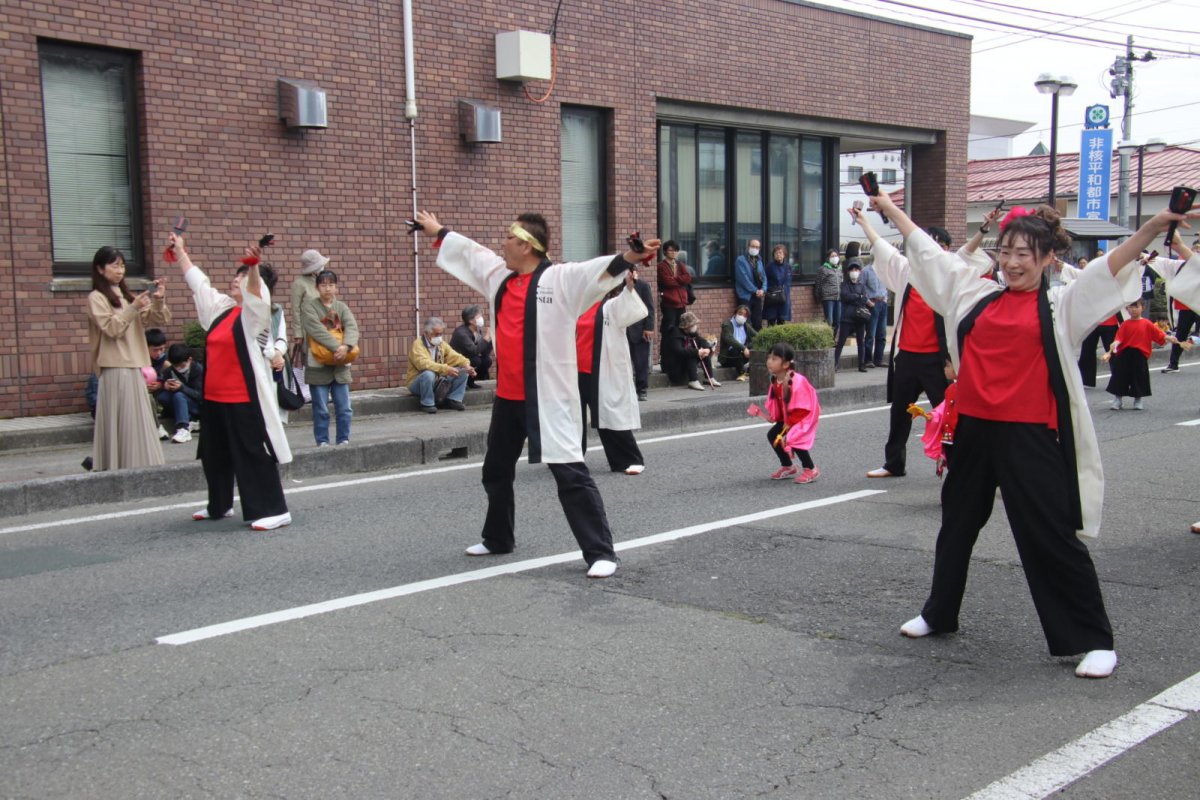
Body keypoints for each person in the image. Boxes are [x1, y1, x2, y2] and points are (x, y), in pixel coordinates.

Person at [871, 192, 1190, 679]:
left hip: (1030, 436)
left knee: (1051, 535)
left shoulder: (1062, 304)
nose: (1013, 262)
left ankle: (1093, 639)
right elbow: (927, 254)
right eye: (1006, 252)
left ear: (1045, 260)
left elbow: (1109, 268)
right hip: (974, 431)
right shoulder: (975, 294)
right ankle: (939, 612)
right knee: (957, 524)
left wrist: (1152, 227)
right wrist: (887, 209)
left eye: (1024, 254)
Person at [414, 209, 656, 579]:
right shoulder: (499, 277)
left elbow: (598, 270)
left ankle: (600, 552)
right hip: (509, 396)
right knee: (495, 470)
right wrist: (437, 230)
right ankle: (498, 538)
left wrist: (631, 256)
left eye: (509, 238)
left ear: (527, 245)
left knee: (570, 474)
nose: (502, 243)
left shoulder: (560, 279)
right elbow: (471, 253)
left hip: (550, 396)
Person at [851, 206, 997, 478]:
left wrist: (983, 231)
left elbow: (970, 256)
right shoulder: (907, 271)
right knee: (900, 413)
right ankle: (894, 463)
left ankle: (958, 466)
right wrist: (864, 223)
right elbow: (883, 249)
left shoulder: (949, 276)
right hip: (906, 354)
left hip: (937, 359)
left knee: (949, 415)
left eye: (938, 246)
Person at [172, 231, 292, 531]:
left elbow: (258, 296)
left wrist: (253, 267)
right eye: (237, 275)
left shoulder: (255, 316)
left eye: (243, 277)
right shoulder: (222, 309)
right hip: (214, 398)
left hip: (243, 398)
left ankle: (275, 509)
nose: (236, 280)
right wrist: (181, 252)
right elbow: (200, 285)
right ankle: (220, 505)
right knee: (213, 455)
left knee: (252, 454)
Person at [86, 246, 171, 471]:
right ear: (100, 269)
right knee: (125, 420)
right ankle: (118, 465)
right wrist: (133, 308)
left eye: (122, 265)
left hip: (134, 364)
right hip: (115, 365)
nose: (120, 270)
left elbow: (156, 319)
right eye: (114, 265)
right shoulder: (96, 297)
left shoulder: (125, 295)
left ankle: (138, 465)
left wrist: (158, 300)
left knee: (138, 420)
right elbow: (111, 329)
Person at [578, 271, 647, 474]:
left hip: (601, 371)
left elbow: (627, 305)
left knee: (609, 415)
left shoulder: (610, 306)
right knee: (570, 417)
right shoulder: (577, 308)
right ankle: (568, 458)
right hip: (574, 369)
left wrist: (629, 286)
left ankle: (629, 460)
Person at [746, 342, 821, 483]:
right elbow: (779, 402)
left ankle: (811, 468)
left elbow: (803, 406)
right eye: (769, 358)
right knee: (773, 435)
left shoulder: (796, 381)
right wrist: (776, 417)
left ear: (786, 364)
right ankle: (788, 466)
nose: (769, 362)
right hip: (789, 416)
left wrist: (790, 422)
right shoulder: (776, 379)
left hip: (802, 416)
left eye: (774, 359)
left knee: (794, 438)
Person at [301, 269, 359, 445]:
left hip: (341, 365)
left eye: (331, 285)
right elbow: (316, 331)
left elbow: (352, 327)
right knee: (321, 408)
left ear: (336, 288)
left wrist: (346, 346)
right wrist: (337, 347)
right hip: (318, 364)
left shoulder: (342, 307)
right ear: (317, 287)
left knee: (344, 408)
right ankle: (322, 441)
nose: (327, 288)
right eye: (323, 285)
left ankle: (343, 439)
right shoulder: (310, 307)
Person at [1102, 299, 1177, 410]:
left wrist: (1169, 337)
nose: (1133, 309)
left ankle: (1138, 400)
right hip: (1125, 354)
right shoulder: (1124, 324)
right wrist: (1115, 343)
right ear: (1127, 309)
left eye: (1136, 307)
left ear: (1143, 308)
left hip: (1140, 354)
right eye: (1131, 307)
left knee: (1139, 377)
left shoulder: (1147, 323)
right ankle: (1118, 400)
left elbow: (1158, 334)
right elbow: (1119, 337)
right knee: (1120, 377)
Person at [406, 316, 473, 413]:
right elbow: (424, 364)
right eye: (436, 334)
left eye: (441, 334)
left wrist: (466, 365)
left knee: (462, 372)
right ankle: (427, 403)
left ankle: (453, 399)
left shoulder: (441, 344)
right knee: (428, 373)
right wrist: (446, 369)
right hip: (417, 382)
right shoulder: (418, 345)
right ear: (426, 333)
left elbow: (455, 356)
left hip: (437, 380)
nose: (439, 337)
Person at [662, 311, 719, 390]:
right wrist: (697, 352)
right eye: (693, 324)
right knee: (692, 354)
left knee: (704, 354)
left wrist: (707, 349)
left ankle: (709, 377)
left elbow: (701, 340)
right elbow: (679, 351)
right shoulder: (675, 334)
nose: (695, 326)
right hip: (674, 365)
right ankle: (693, 380)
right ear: (687, 326)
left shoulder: (691, 333)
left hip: (684, 362)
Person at [159, 343, 204, 443]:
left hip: (197, 405)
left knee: (179, 395)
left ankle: (183, 428)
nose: (179, 368)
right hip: (181, 404)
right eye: (175, 366)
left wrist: (182, 388)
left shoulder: (198, 370)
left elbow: (200, 395)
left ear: (190, 360)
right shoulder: (169, 372)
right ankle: (190, 420)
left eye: (182, 365)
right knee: (163, 396)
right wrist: (165, 387)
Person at [624, 265, 655, 401]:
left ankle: (642, 389)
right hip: (622, 329)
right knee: (623, 363)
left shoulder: (643, 286)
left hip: (639, 329)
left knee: (640, 362)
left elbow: (650, 308)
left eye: (632, 272)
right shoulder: (619, 287)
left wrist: (649, 327)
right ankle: (626, 390)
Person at [856, 244, 889, 367]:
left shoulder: (884, 270)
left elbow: (887, 286)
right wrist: (868, 302)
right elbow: (860, 287)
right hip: (873, 303)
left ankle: (879, 358)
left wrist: (885, 299)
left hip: (883, 302)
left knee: (882, 333)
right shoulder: (866, 271)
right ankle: (868, 359)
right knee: (870, 333)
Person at [835, 262, 872, 372]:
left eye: (856, 270)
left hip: (860, 317)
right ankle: (835, 364)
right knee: (841, 341)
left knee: (861, 341)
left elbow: (864, 299)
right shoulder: (844, 285)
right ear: (848, 272)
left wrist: (856, 298)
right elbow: (845, 297)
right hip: (847, 316)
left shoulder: (862, 285)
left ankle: (861, 364)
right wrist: (857, 296)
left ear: (860, 272)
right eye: (852, 270)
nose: (854, 272)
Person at [290, 248, 328, 350]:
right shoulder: (299, 283)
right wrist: (298, 333)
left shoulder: (323, 281)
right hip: (309, 329)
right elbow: (296, 309)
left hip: (327, 328)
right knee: (312, 360)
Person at [450, 304, 493, 388]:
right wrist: (486, 339)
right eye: (479, 316)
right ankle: (464, 383)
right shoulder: (461, 332)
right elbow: (474, 350)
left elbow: (484, 353)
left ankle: (472, 381)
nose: (481, 318)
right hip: (457, 361)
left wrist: (490, 341)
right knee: (475, 360)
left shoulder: (478, 331)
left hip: (469, 358)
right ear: (471, 320)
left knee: (487, 360)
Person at [657, 241, 691, 334]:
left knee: (681, 328)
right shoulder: (661, 266)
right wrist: (680, 281)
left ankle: (679, 348)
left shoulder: (680, 264)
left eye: (675, 251)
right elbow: (668, 282)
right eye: (670, 250)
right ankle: (666, 348)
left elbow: (687, 278)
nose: (673, 253)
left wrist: (675, 278)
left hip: (681, 303)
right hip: (669, 303)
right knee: (668, 330)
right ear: (665, 252)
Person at [734, 239, 768, 330]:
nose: (755, 249)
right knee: (745, 322)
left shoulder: (759, 260)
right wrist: (755, 290)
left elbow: (764, 277)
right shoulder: (741, 260)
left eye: (757, 247)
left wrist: (763, 290)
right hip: (745, 295)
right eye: (753, 246)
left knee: (757, 322)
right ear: (748, 247)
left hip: (757, 296)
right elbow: (743, 279)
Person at [719, 304, 758, 380]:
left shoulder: (746, 325)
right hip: (728, 357)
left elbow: (756, 335)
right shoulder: (727, 325)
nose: (742, 316)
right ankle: (741, 373)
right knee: (735, 348)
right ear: (735, 314)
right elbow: (730, 339)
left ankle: (750, 370)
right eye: (740, 314)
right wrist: (744, 348)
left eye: (745, 315)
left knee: (755, 346)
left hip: (742, 355)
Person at [762, 244, 792, 326]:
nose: (778, 255)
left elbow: (788, 282)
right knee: (771, 321)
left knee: (782, 321)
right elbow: (765, 280)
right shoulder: (769, 267)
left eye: (780, 252)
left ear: (784, 254)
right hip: (772, 296)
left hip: (783, 297)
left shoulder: (788, 266)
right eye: (776, 253)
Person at [814, 248, 842, 330]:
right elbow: (819, 283)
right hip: (828, 298)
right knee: (829, 320)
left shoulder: (839, 269)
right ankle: (829, 339)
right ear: (828, 258)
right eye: (832, 256)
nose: (834, 258)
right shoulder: (823, 269)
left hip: (838, 298)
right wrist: (818, 296)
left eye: (836, 256)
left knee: (837, 321)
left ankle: (834, 340)